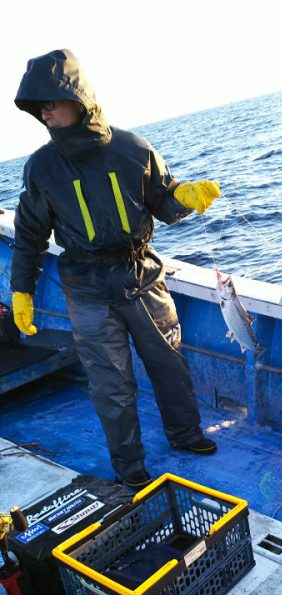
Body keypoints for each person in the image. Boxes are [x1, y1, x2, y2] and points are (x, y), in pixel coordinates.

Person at [10, 48, 220, 492]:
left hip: (142, 277)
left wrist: (185, 198)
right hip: (86, 289)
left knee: (169, 365)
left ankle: (186, 436)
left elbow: (164, 203)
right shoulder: (42, 168)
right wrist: (22, 291)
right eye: (37, 108)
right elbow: (29, 235)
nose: (43, 114)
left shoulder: (132, 148)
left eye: (49, 102)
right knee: (111, 384)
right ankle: (130, 467)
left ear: (76, 97)